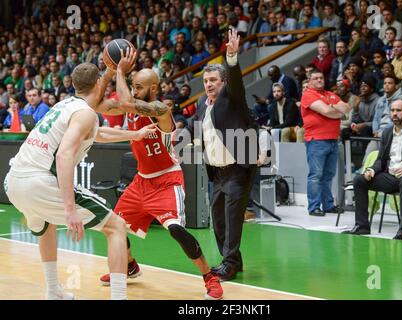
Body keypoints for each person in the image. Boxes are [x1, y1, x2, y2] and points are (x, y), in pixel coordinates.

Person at [3, 63, 157, 300]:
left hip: (13, 181)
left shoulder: (65, 106)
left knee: (46, 226)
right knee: (115, 226)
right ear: (98, 84)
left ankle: (53, 290)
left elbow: (98, 133)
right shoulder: (85, 113)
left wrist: (133, 135)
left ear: (73, 85)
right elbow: (64, 154)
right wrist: (69, 208)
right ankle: (119, 297)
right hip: (39, 181)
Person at [98, 47, 224, 300]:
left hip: (167, 180)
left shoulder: (160, 109)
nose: (134, 91)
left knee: (176, 229)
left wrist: (120, 72)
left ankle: (210, 277)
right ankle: (129, 265)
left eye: (139, 87)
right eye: (132, 86)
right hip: (141, 181)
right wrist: (108, 73)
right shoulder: (130, 108)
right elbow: (98, 103)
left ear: (153, 88)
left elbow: (125, 102)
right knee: (113, 227)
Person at [182, 28, 257, 281]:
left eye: (213, 81)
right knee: (218, 220)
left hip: (238, 169)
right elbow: (201, 130)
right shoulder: (203, 106)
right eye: (205, 82)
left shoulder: (232, 97)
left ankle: (229, 264)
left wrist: (232, 58)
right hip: (217, 172)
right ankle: (234, 261)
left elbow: (236, 80)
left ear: (223, 83)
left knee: (232, 218)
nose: (209, 85)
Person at [343, 99, 402, 240]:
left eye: (398, 110)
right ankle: (362, 226)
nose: (394, 114)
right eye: (392, 110)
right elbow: (380, 161)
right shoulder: (387, 132)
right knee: (360, 179)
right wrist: (372, 170)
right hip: (390, 177)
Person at [300, 69, 351, 216]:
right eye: (315, 78)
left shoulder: (329, 94)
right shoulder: (308, 94)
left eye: (321, 77)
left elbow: (346, 109)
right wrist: (334, 110)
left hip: (333, 140)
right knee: (316, 175)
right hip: (317, 140)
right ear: (309, 82)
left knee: (328, 175)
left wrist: (331, 109)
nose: (319, 80)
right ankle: (314, 207)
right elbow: (328, 111)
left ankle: (328, 205)